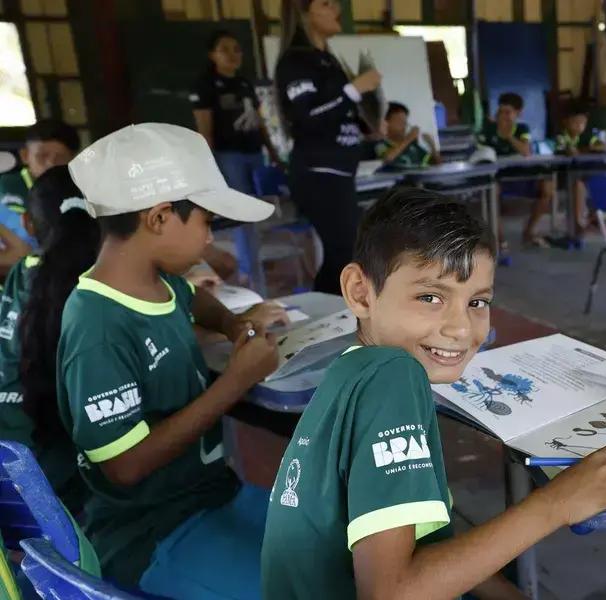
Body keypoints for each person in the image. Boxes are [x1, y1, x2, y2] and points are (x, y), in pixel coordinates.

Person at [260, 189, 606, 599]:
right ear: (359, 292)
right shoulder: (393, 377)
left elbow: (424, 547)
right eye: (430, 297)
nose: (461, 328)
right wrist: (555, 503)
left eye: (478, 301)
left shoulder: (354, 366)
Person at [59, 123, 288, 596]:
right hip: (152, 531)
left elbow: (191, 300)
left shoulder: (157, 282)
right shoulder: (97, 326)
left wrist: (229, 323)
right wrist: (236, 381)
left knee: (347, 555)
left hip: (211, 493)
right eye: (205, 221)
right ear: (160, 217)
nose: (209, 239)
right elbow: (124, 466)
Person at [0, 166, 97, 517]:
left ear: (28, 223)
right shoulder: (104, 283)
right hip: (54, 480)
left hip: (11, 470)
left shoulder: (21, 273)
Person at [275, 0, 382, 294]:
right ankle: (334, 319)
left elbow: (335, 114)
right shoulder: (296, 62)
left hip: (339, 173)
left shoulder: (329, 60)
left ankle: (326, 316)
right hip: (318, 173)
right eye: (326, 3)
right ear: (303, 12)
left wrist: (365, 128)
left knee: (343, 256)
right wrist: (355, 89)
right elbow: (306, 117)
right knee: (347, 255)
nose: (337, 10)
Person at [191, 30, 282, 195]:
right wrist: (208, 161)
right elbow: (204, 127)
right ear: (212, 55)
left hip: (255, 151)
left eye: (236, 49)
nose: (232, 54)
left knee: (264, 198)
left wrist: (271, 150)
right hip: (228, 154)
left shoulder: (245, 83)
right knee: (242, 200)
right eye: (224, 50)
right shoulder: (205, 85)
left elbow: (258, 119)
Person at [0, 119, 81, 274]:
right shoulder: (7, 187)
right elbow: (22, 251)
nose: (50, 164)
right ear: (25, 155)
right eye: (42, 156)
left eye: (60, 158)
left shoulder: (80, 188)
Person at [476, 91, 556, 247]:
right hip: (498, 173)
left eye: (508, 113)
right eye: (501, 111)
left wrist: (509, 137)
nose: (504, 116)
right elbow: (482, 154)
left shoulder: (522, 128)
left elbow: (525, 151)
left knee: (548, 188)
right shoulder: (488, 129)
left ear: (517, 114)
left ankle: (529, 231)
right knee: (491, 192)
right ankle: (500, 240)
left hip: (521, 171)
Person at [551, 100, 606, 234]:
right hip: (563, 175)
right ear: (566, 122)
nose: (579, 126)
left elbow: (602, 146)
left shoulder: (587, 136)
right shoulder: (561, 136)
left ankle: (594, 216)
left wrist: (589, 148)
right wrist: (589, 149)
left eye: (582, 122)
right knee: (579, 185)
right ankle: (577, 222)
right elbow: (571, 151)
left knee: (600, 180)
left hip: (583, 172)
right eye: (575, 122)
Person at [377, 102, 441, 168]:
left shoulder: (412, 144)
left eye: (405, 122)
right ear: (385, 123)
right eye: (399, 122)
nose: (404, 126)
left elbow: (437, 164)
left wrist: (432, 146)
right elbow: (386, 159)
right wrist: (409, 138)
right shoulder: (380, 144)